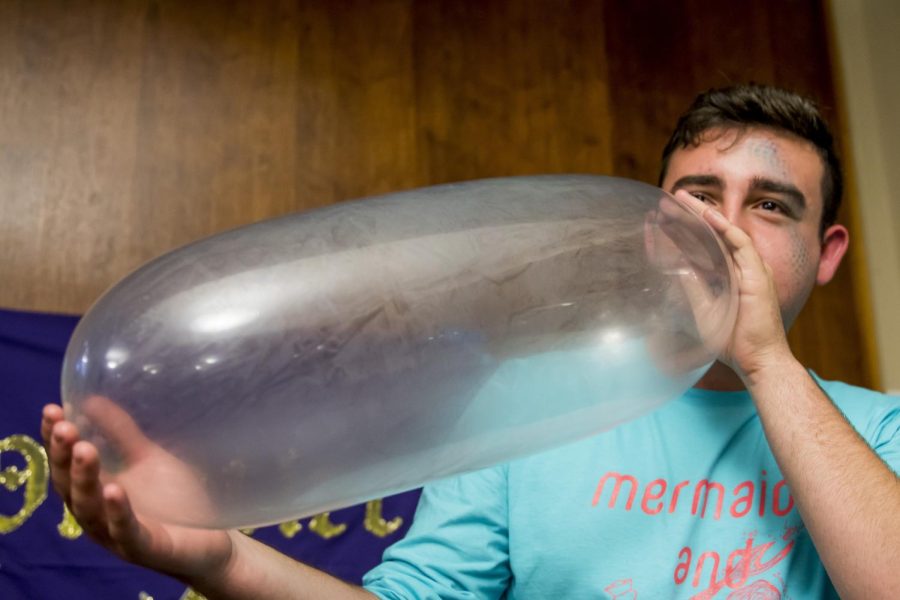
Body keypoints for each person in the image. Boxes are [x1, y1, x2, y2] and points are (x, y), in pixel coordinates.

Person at [42, 84, 900, 598]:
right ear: (655, 231)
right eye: (700, 199)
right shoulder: (529, 405)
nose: (729, 233)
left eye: (772, 205)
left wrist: (763, 359)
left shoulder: (881, 433)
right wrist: (218, 559)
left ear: (827, 254)